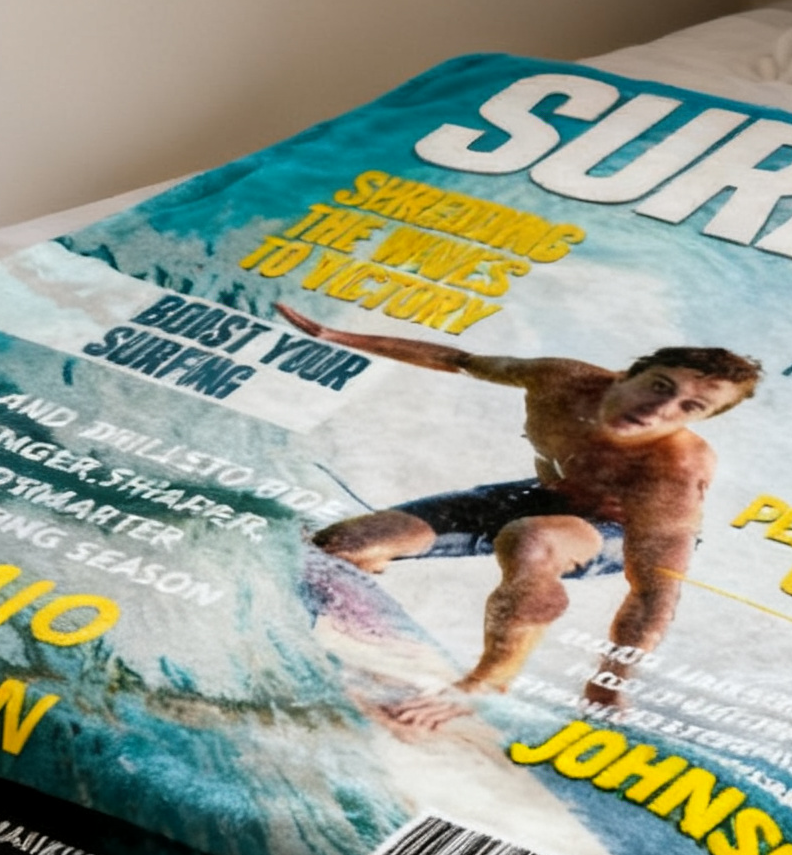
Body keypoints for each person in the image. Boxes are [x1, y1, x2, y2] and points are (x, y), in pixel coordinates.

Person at [278, 303, 760, 732]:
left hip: (611, 531)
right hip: (537, 495)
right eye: (659, 386)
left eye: (690, 407)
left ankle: (488, 683)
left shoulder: (674, 473)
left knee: (531, 540)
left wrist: (610, 680)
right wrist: (336, 335)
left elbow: (654, 591)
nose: (660, 409)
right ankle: (360, 585)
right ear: (626, 374)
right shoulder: (561, 379)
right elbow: (458, 360)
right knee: (338, 547)